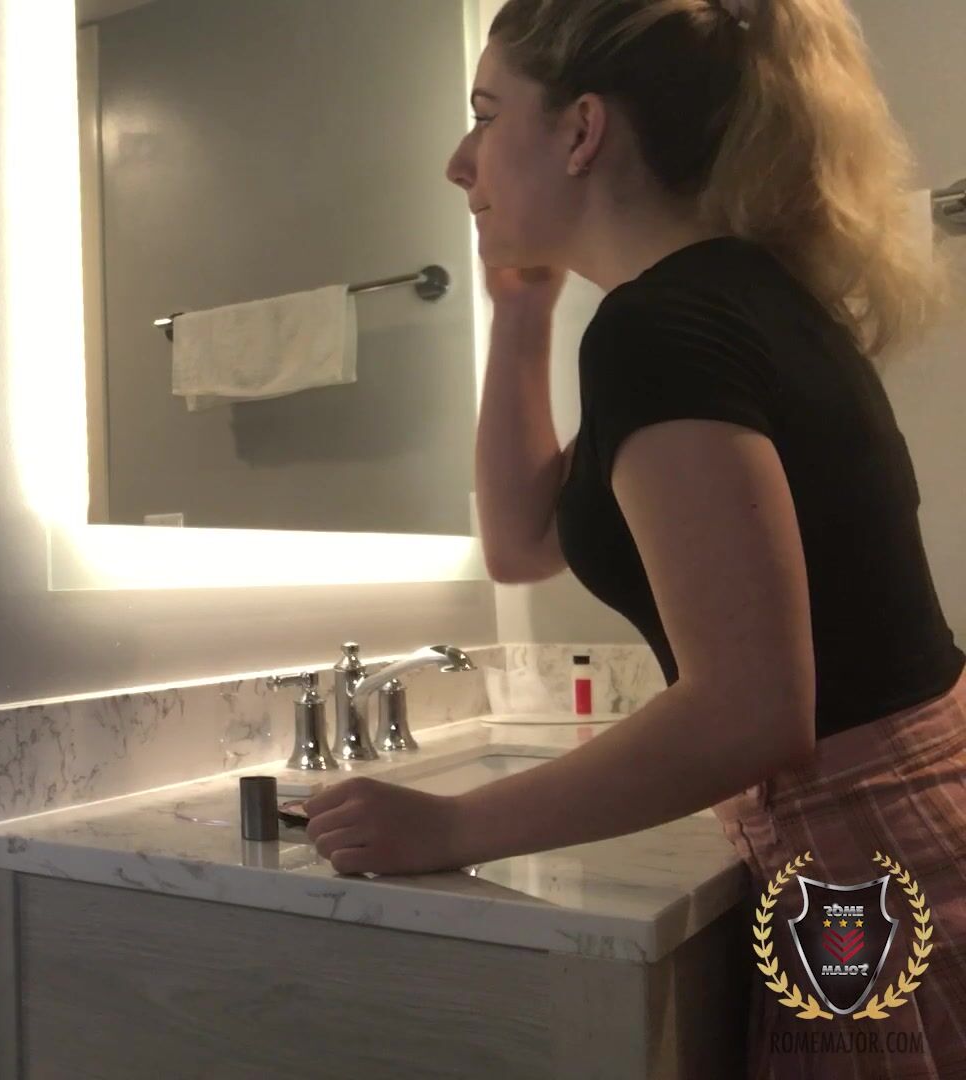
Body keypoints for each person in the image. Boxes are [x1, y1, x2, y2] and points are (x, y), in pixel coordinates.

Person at [301, 1, 964, 1075]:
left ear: (582, 130)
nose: (459, 162)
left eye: (486, 114)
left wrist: (450, 830)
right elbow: (524, 543)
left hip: (870, 859)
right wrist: (521, 313)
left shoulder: (665, 328)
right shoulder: (728, 301)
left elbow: (750, 712)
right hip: (902, 830)